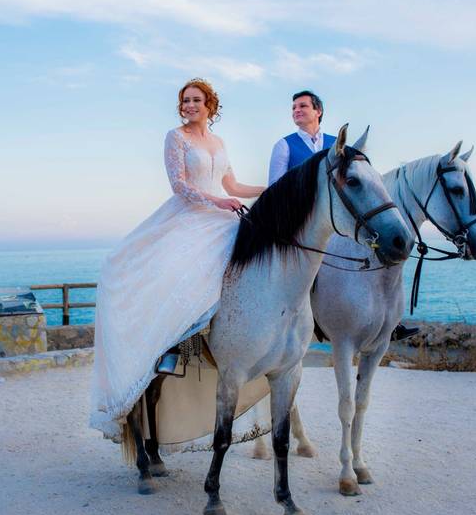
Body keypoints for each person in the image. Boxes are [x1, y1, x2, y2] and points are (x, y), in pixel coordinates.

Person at [89, 78, 265, 440]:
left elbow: (233, 187)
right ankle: (171, 347)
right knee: (178, 273)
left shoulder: (219, 142)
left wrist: (270, 189)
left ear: (210, 106)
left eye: (196, 100)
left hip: (220, 213)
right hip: (188, 216)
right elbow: (180, 186)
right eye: (185, 100)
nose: (189, 105)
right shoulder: (176, 137)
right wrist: (217, 202)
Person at [268, 90, 418, 343]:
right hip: (303, 224)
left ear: (318, 111)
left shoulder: (338, 146)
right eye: (293, 107)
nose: (296, 110)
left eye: (303, 106)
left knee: (375, 253)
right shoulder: (284, 145)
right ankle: (298, 316)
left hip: (338, 221)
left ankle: (389, 320)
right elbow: (274, 188)